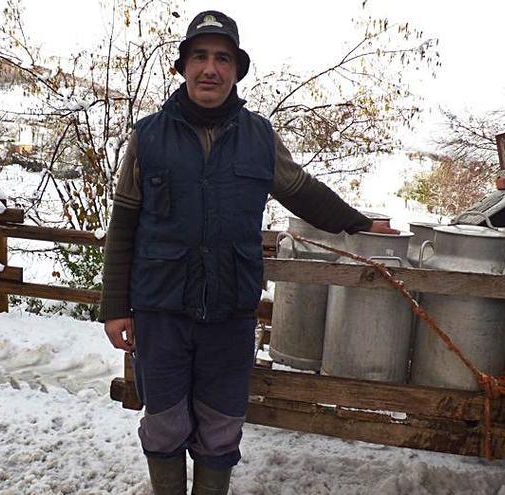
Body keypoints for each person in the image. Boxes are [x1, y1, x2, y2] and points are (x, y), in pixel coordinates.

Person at [100, 10, 397, 494]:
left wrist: (359, 223)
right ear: (182, 67)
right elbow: (124, 224)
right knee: (165, 422)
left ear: (237, 70)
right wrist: (115, 308)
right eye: (199, 57)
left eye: (222, 58)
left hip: (230, 310)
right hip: (160, 309)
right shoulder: (147, 136)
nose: (210, 68)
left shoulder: (259, 137)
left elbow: (302, 190)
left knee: (221, 427)